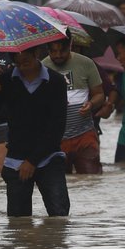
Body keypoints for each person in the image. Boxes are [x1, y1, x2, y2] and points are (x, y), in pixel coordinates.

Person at [0, 47, 70, 217]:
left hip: (49, 157)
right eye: (18, 63)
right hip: (16, 160)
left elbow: (57, 127)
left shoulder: (56, 81)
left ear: (36, 55)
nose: (23, 68)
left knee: (59, 216)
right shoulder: (6, 80)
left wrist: (32, 161)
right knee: (18, 223)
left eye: (27, 62)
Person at [42, 37, 106, 174]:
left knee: (91, 180)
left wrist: (91, 103)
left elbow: (100, 94)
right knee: (58, 183)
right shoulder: (42, 68)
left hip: (85, 136)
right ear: (47, 50)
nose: (58, 55)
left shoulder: (86, 63)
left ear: (70, 46)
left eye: (62, 51)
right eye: (53, 51)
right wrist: (53, 104)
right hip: (55, 140)